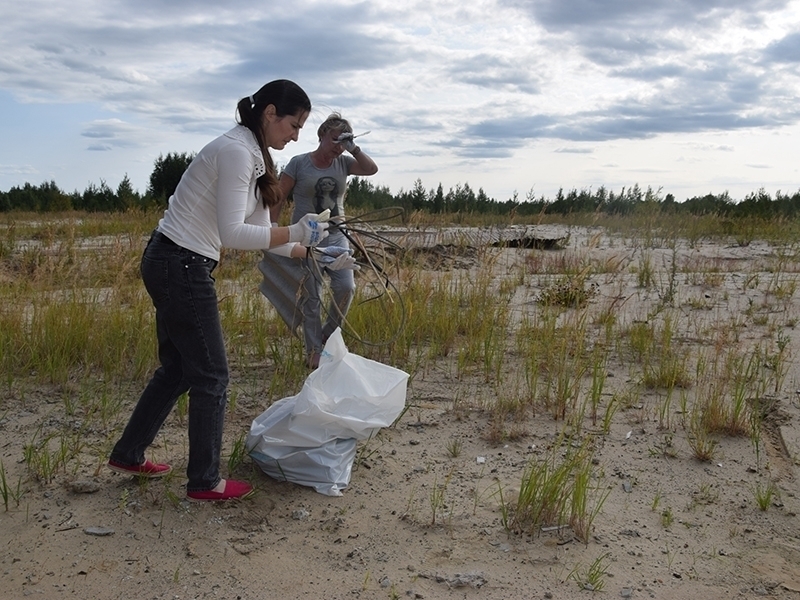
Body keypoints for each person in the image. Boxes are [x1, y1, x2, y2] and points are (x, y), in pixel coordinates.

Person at [108, 79, 329, 502]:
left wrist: (308, 249)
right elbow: (233, 233)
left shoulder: (254, 155)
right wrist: (296, 228)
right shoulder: (235, 151)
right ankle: (205, 481)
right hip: (180, 262)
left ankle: (129, 453)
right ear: (269, 113)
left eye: (301, 128)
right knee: (212, 374)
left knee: (179, 369)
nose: (296, 135)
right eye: (294, 124)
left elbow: (263, 232)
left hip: (174, 260)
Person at [278, 113, 378, 368]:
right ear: (321, 135)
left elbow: (370, 169)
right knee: (312, 294)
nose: (338, 146)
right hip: (307, 237)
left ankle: (327, 333)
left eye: (343, 141)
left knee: (346, 287)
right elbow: (278, 196)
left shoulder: (344, 163)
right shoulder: (299, 163)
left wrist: (353, 147)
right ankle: (314, 350)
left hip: (337, 235)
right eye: (335, 139)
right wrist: (272, 229)